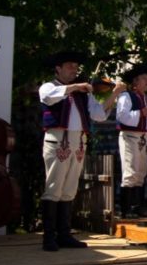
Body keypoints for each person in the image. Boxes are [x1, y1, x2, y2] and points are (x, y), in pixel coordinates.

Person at [39, 51, 126, 251]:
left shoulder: (83, 94)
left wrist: (114, 93)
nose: (74, 70)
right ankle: (49, 237)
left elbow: (99, 115)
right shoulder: (50, 86)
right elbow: (47, 97)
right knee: (54, 187)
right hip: (58, 141)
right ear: (58, 68)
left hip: (78, 142)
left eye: (76, 67)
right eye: (69, 66)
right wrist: (77, 86)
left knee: (69, 189)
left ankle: (64, 234)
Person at [116, 64, 147, 218]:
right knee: (130, 172)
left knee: (141, 173)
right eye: (143, 79)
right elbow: (122, 116)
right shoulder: (126, 96)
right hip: (130, 138)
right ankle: (126, 209)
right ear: (135, 81)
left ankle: (137, 206)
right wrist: (139, 113)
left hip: (143, 140)